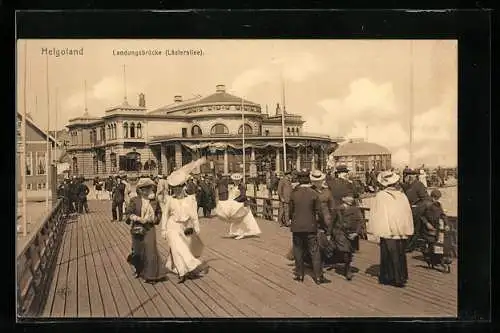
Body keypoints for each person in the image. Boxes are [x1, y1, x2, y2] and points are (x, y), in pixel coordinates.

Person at [161, 167, 209, 284]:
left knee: (178, 249)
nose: (177, 191)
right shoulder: (170, 200)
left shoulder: (190, 200)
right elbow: (165, 215)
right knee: (178, 247)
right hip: (172, 226)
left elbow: (194, 216)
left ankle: (177, 268)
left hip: (184, 227)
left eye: (179, 188)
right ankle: (185, 271)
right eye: (174, 189)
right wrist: (163, 229)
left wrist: (196, 227)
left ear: (184, 187)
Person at [368, 170, 414, 288]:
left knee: (388, 253)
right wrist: (407, 229)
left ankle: (389, 276)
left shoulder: (381, 196)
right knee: (399, 252)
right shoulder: (402, 195)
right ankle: (401, 276)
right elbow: (407, 213)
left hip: (387, 229)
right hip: (400, 230)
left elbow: (377, 214)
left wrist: (377, 230)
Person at [289, 169, 329, 285]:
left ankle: (300, 274)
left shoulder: (294, 193)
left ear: (299, 180)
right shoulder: (314, 194)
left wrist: (293, 218)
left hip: (296, 226)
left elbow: (290, 211)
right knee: (314, 250)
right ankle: (318, 277)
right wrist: (323, 224)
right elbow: (319, 211)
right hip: (311, 226)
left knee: (298, 249)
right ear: (308, 179)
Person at [125, 178, 168, 284]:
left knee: (150, 249)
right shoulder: (135, 200)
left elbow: (159, 213)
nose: (146, 190)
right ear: (139, 189)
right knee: (138, 251)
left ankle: (151, 275)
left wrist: (154, 219)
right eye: (144, 188)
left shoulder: (154, 201)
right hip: (137, 228)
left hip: (149, 228)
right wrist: (138, 218)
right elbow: (128, 213)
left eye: (148, 188)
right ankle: (138, 269)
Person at [214, 173, 261, 240]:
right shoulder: (233, 187)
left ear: (240, 180)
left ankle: (242, 233)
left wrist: (235, 200)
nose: (236, 181)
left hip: (242, 205)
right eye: (235, 180)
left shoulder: (241, 187)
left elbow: (243, 196)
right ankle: (234, 232)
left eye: (237, 180)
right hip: (236, 205)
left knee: (242, 220)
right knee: (237, 219)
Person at [420, 189, 453, 271]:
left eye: (437, 198)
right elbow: (421, 216)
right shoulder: (426, 204)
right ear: (431, 196)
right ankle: (434, 260)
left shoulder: (438, 205)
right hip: (427, 228)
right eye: (435, 197)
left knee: (435, 243)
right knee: (431, 243)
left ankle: (435, 260)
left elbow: (443, 215)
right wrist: (427, 223)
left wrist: (446, 224)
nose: (436, 199)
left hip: (436, 227)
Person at [404, 170, 431, 252]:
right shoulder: (408, 185)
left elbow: (426, 199)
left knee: (415, 230)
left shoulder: (419, 185)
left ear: (410, 177)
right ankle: (408, 246)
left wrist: (417, 208)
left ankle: (409, 247)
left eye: (406, 176)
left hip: (416, 212)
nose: (404, 178)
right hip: (408, 212)